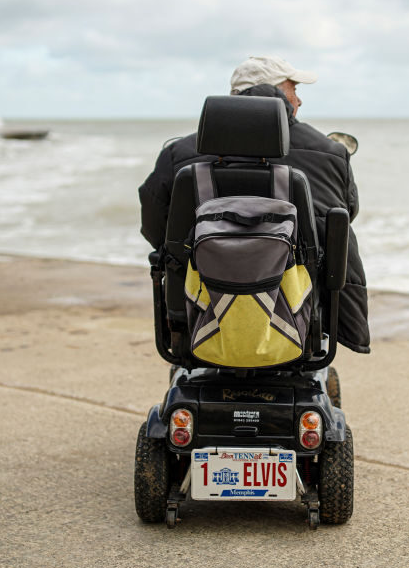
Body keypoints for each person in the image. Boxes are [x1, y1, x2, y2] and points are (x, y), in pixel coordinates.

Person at [138, 56, 370, 354]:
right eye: (292, 89)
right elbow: (345, 216)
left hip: (200, 314)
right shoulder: (329, 153)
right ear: (270, 93)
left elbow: (156, 228)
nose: (298, 100)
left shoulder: (179, 154)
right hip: (298, 314)